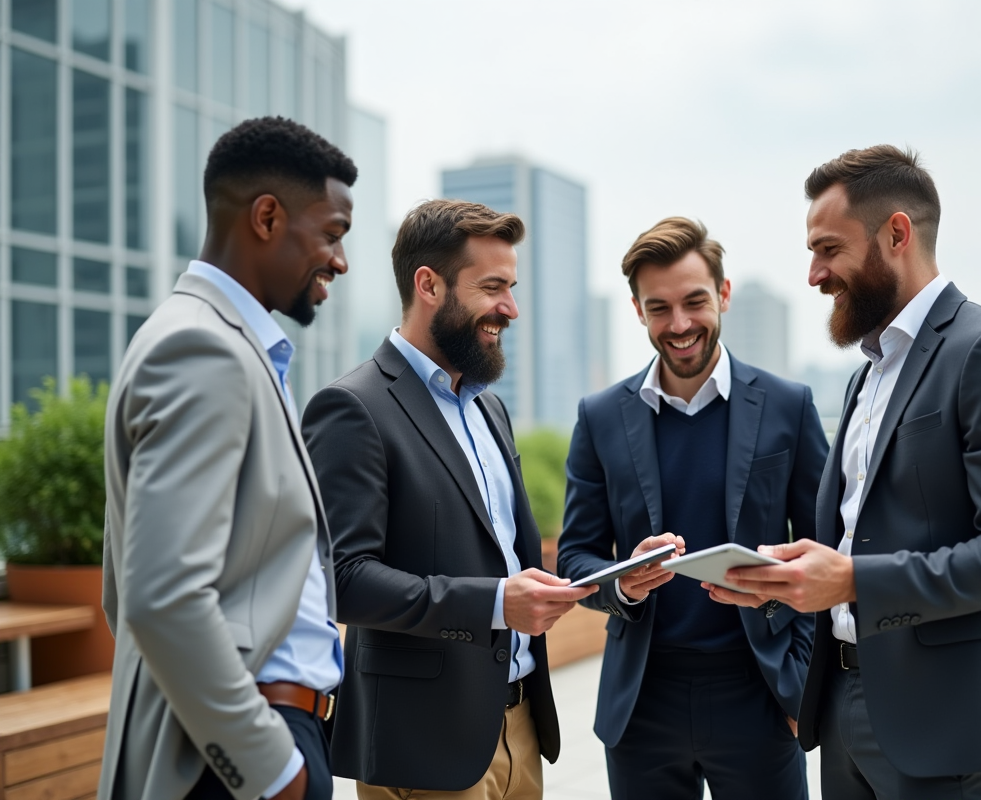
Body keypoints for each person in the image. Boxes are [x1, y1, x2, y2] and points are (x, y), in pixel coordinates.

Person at [707, 145, 981, 799]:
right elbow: (870, 532)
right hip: (846, 703)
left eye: (827, 249)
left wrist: (849, 579)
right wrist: (790, 580)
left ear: (897, 233)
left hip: (945, 714)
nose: (815, 274)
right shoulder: (865, 376)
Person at [98, 117, 357, 800]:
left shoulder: (225, 344)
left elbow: (127, 590)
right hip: (233, 761)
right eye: (331, 234)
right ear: (268, 217)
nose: (340, 260)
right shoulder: (203, 350)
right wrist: (273, 772)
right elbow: (161, 598)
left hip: (259, 739)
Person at [301, 199, 595, 799]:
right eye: (492, 288)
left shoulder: (488, 407)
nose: (509, 309)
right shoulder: (352, 407)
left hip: (521, 727)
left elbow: (512, 562)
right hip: (424, 746)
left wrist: (618, 579)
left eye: (511, 288)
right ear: (428, 285)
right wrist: (493, 604)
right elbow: (344, 581)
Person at [555, 217, 828, 800]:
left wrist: (800, 683)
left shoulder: (789, 406)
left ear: (723, 295)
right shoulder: (600, 417)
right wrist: (625, 583)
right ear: (637, 310)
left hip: (758, 689)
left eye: (694, 302)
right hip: (643, 700)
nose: (679, 326)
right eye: (659, 308)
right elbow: (575, 556)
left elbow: (824, 554)